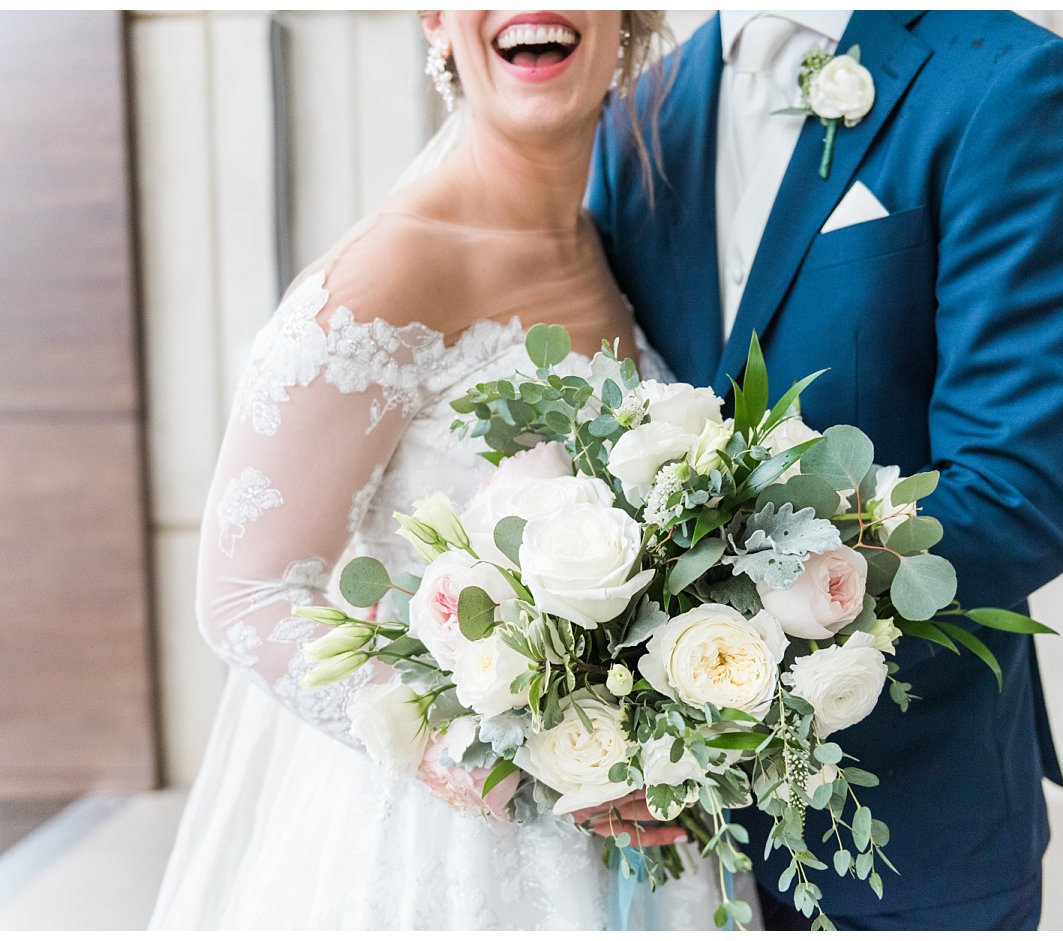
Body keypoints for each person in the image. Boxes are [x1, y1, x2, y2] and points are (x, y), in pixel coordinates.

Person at [149, 10, 726, 930]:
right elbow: (243, 593)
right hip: (453, 854)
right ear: (435, 17)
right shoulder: (395, 269)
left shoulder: (598, 240)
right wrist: (503, 750)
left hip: (636, 836)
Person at [589, 9, 1063, 931]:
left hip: (906, 831)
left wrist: (716, 671)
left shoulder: (1010, 84)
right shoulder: (636, 112)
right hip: (657, 854)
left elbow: (1015, 492)